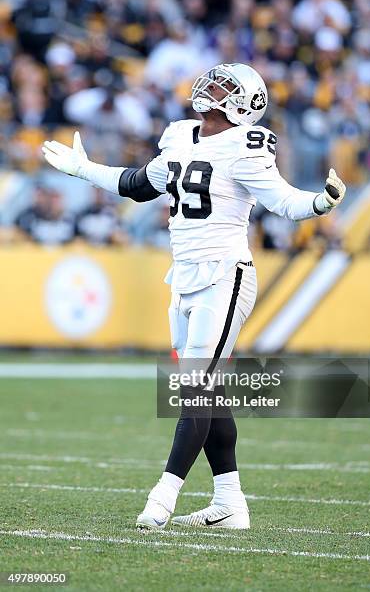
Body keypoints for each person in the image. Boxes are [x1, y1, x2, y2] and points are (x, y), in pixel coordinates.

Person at [42, 62, 346, 530]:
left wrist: (321, 202)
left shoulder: (247, 148)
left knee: (196, 392)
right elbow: (138, 185)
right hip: (182, 278)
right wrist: (83, 169)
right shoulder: (181, 136)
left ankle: (162, 497)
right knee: (209, 392)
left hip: (225, 276)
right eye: (215, 79)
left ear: (247, 105)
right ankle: (230, 503)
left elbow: (285, 202)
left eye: (226, 85)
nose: (212, 88)